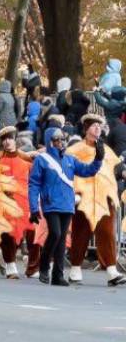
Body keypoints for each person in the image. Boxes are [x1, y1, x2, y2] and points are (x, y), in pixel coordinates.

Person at [28, 124, 104, 286]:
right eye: (57, 140)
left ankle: (58, 275)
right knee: (55, 233)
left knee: (62, 239)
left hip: (67, 204)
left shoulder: (70, 159)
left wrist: (98, 158)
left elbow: (87, 171)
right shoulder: (42, 160)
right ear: (50, 141)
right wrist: (34, 207)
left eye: (63, 139)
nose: (61, 142)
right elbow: (34, 184)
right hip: (50, 204)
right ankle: (43, 266)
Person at [64, 113, 126, 286]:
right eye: (93, 125)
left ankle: (112, 271)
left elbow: (117, 167)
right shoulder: (74, 150)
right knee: (80, 233)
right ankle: (75, 268)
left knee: (107, 232)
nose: (97, 128)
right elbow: (68, 171)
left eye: (99, 125)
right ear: (86, 129)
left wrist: (123, 173)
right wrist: (73, 192)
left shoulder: (106, 149)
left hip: (104, 197)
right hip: (83, 197)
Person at [0, 125, 38, 279]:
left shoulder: (26, 158)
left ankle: (32, 266)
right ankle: (10, 264)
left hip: (25, 202)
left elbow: (34, 179)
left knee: (32, 234)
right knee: (9, 235)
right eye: (4, 139)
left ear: (15, 139)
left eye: (10, 138)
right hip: (4, 203)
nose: (7, 142)